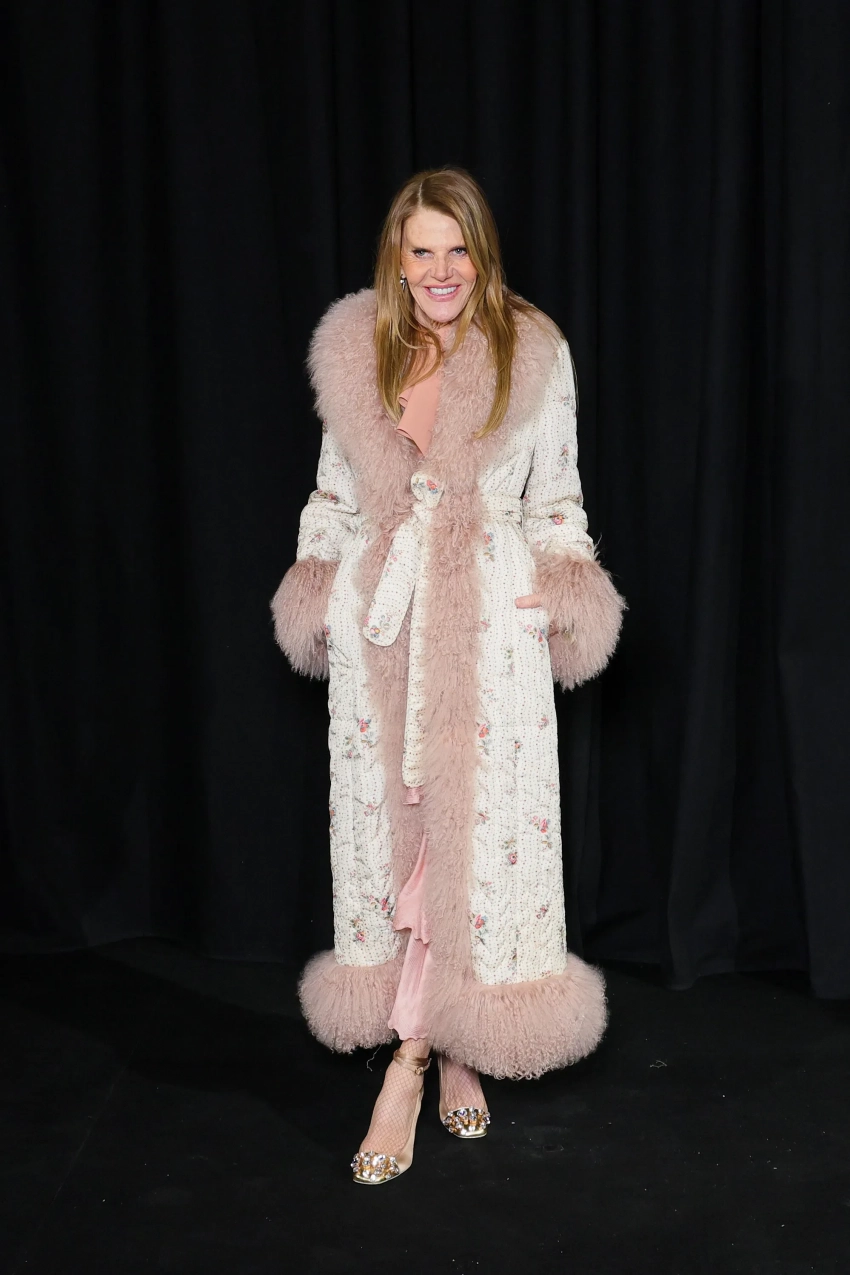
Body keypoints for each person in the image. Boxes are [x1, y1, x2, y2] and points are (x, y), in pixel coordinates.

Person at [272, 167, 625, 1185]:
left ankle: (415, 1062)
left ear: (482, 255)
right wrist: (319, 588)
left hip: (487, 625)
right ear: (397, 259)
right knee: (400, 837)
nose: (439, 270)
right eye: (420, 250)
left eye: (456, 249)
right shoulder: (357, 349)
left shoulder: (531, 350)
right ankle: (450, 1043)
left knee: (473, 847)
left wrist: (557, 593)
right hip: (382, 625)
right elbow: (332, 497)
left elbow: (557, 498)